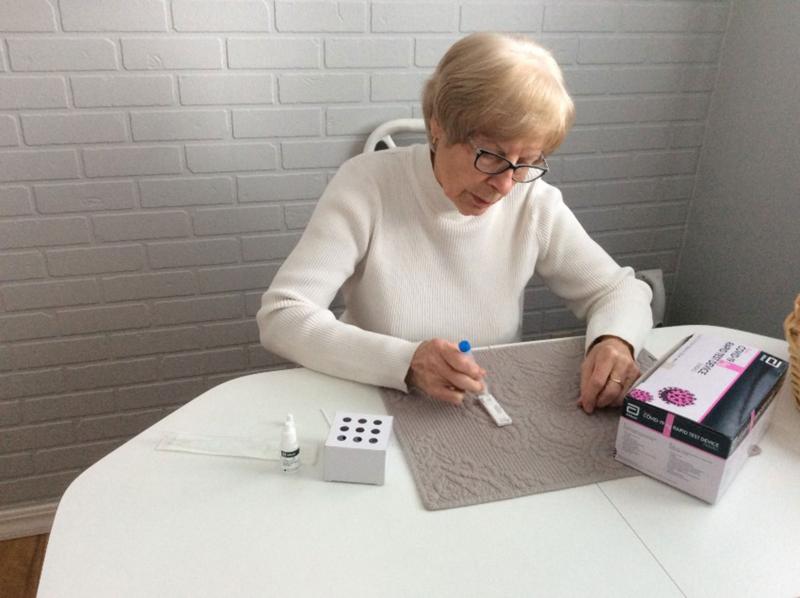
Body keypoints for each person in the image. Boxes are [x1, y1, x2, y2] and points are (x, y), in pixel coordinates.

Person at [257, 32, 653, 414]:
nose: (503, 185)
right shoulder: (367, 186)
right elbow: (283, 315)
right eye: (491, 155)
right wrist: (406, 361)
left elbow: (619, 291)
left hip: (481, 400)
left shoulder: (531, 199)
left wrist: (615, 342)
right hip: (372, 396)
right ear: (437, 125)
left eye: (525, 161)